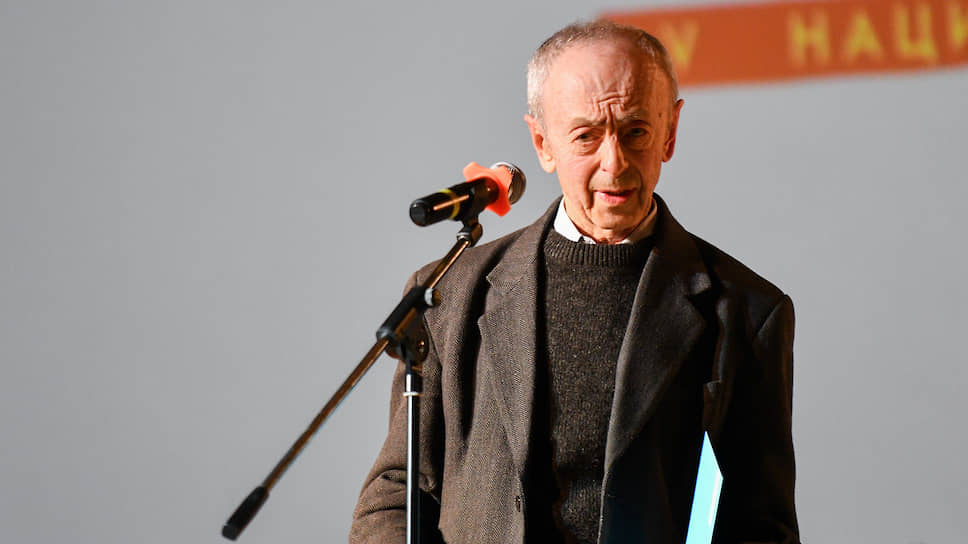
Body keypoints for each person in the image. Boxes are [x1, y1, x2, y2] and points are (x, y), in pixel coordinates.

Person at [351, 20, 799, 544]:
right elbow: (396, 494)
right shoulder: (448, 295)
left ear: (670, 132)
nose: (615, 163)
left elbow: (761, 525)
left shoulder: (746, 311)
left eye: (636, 131)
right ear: (543, 144)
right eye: (586, 136)